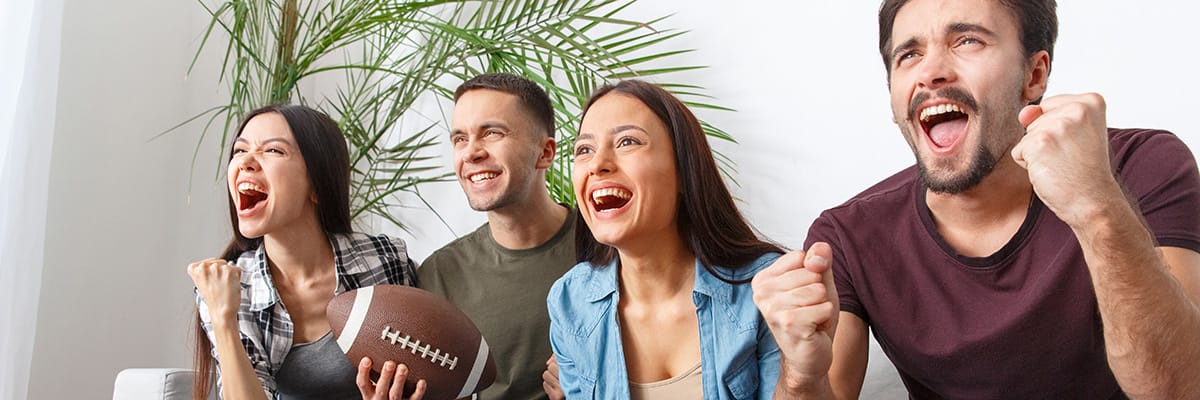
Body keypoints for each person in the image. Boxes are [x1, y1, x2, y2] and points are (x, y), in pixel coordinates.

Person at [753, 0, 1200, 398]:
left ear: (1034, 74)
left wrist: (1097, 206)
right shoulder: (847, 237)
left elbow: (1177, 388)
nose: (930, 72)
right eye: (909, 54)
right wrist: (801, 376)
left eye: (967, 40)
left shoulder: (1140, 166)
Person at [548, 79, 800, 399]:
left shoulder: (764, 289)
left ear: (683, 170)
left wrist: (802, 374)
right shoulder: (570, 302)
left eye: (627, 142)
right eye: (584, 149)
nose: (597, 164)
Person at [188, 104, 427, 400]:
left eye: (273, 151)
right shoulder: (233, 288)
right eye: (239, 150)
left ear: (317, 185)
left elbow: (424, 375)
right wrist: (223, 318)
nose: (246, 161)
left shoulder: (385, 260)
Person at [416, 73, 575, 400]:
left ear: (545, 152)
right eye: (460, 139)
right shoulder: (438, 276)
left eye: (492, 133)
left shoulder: (608, 247)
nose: (471, 152)